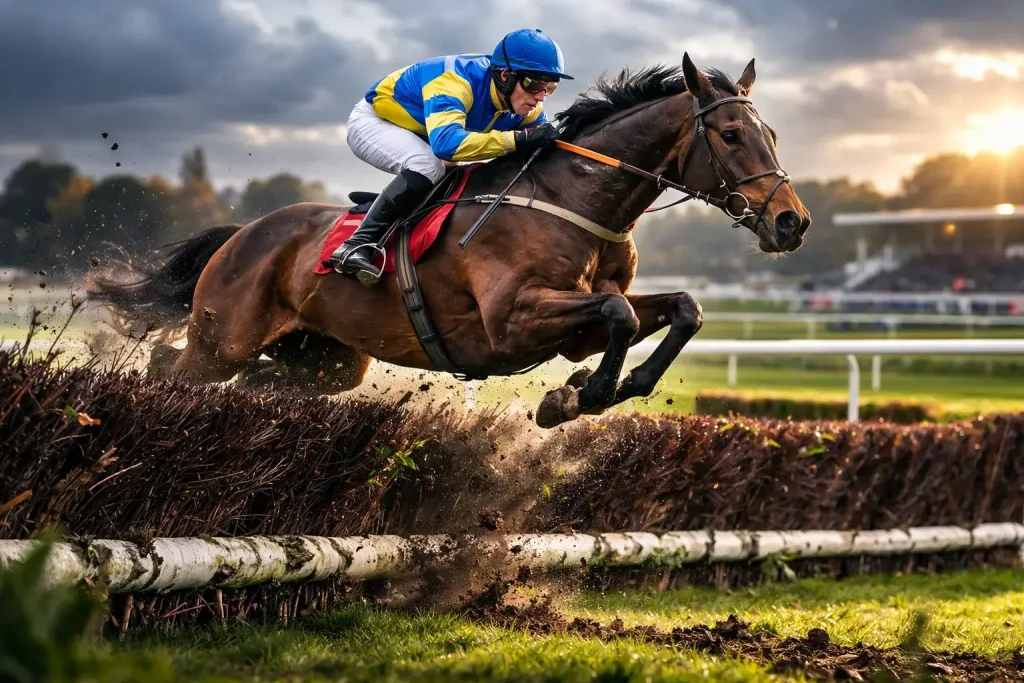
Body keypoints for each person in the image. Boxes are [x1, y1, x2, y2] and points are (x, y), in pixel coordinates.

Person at [323, 28, 573, 285]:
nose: (540, 97)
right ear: (506, 75)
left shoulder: (526, 106)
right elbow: (446, 146)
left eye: (549, 87)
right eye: (533, 84)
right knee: (428, 165)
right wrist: (518, 139)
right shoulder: (454, 82)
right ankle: (356, 244)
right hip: (376, 122)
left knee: (458, 178)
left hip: (426, 131)